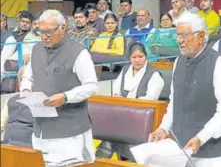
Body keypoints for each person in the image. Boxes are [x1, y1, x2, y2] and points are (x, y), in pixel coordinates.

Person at [148, 12, 221, 167]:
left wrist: (202, 137)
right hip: (183, 151)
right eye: (177, 35)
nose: (179, 40)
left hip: (217, 155)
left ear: (201, 36)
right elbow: (175, 103)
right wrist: (163, 128)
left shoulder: (220, 64)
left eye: (184, 35)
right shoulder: (178, 62)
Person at [20, 9, 99, 164]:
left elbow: (92, 85)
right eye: (40, 31)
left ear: (63, 28)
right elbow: (28, 76)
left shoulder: (79, 52)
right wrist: (26, 89)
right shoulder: (36, 49)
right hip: (41, 128)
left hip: (70, 132)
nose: (44, 37)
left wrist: (65, 97)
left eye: (49, 32)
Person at [96, 42, 164, 160]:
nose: (137, 60)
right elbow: (116, 91)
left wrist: (127, 101)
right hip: (122, 117)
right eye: (134, 57)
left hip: (141, 120)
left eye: (141, 57)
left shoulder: (154, 75)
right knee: (109, 137)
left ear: (146, 57)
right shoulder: (125, 70)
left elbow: (150, 100)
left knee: (109, 141)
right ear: (130, 58)